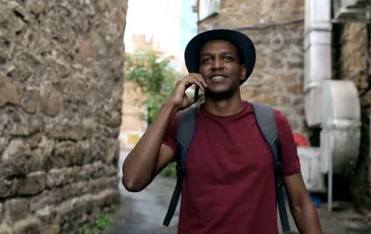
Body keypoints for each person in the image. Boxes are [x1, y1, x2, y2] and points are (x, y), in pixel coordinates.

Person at [122, 29, 322, 234]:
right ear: (198, 73)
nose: (216, 65)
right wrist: (169, 107)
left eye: (227, 58)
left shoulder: (272, 122)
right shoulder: (182, 125)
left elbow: (300, 203)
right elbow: (132, 180)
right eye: (207, 60)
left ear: (242, 71)